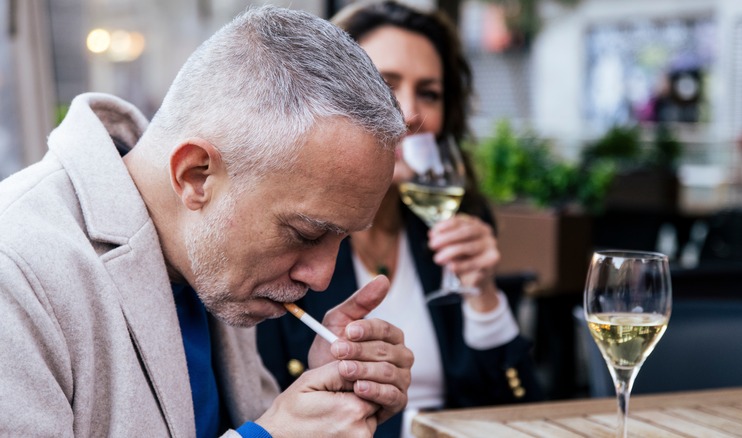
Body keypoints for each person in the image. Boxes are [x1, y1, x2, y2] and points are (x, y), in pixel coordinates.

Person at [0, 5, 414, 437]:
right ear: (195, 175)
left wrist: (326, 402)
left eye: (342, 239)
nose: (323, 277)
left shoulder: (205, 254)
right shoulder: (15, 270)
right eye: (306, 233)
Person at [256, 1, 544, 437]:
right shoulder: (290, 234)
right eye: (384, 85)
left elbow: (516, 413)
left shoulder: (452, 223)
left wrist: (483, 296)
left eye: (429, 93)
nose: (410, 115)